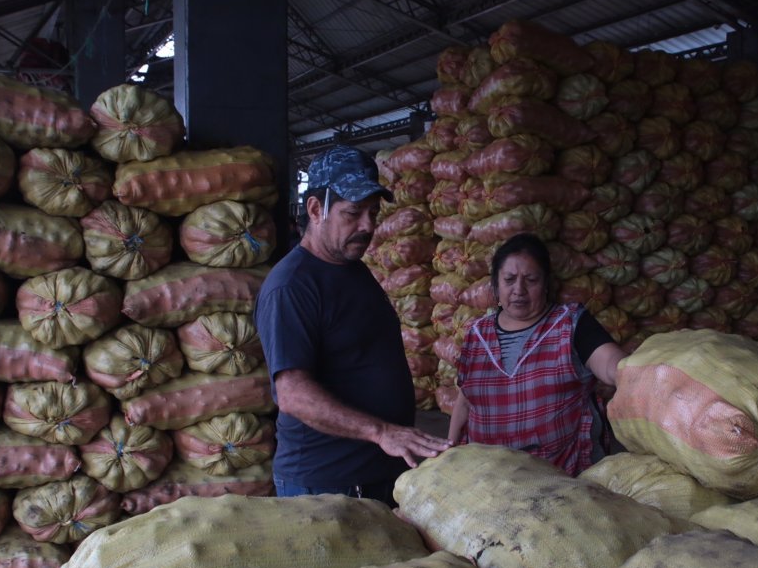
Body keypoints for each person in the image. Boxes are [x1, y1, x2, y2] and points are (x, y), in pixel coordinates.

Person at [255, 145, 451, 506]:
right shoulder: (292, 286)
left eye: (373, 213)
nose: (368, 226)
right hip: (327, 484)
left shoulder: (352, 269)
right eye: (353, 212)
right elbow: (293, 394)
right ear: (316, 209)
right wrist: (381, 432)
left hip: (375, 474)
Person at [447, 233, 627, 476]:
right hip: (489, 478)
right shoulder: (477, 333)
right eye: (509, 280)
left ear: (546, 285)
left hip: (560, 478)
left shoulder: (570, 323)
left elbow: (610, 364)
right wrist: (449, 451)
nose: (518, 290)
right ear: (496, 286)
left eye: (530, 280)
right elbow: (466, 398)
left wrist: (632, 374)